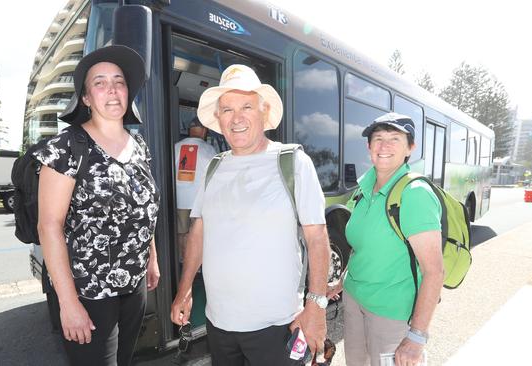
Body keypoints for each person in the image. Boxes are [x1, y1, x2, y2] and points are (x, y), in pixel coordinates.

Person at [170, 64, 331, 365]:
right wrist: (185, 288)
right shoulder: (215, 166)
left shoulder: (293, 162)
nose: (237, 118)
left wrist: (316, 307)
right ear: (218, 118)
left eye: (246, 106)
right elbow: (199, 231)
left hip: (277, 324)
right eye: (227, 109)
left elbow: (317, 237)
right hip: (218, 324)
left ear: (262, 112)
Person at [35, 45, 160, 366]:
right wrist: (68, 303)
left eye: (119, 81)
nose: (112, 89)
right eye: (100, 83)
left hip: (134, 287)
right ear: (86, 98)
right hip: (89, 293)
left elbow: (143, 207)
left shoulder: (139, 145)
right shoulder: (66, 147)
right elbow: (49, 226)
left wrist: (151, 259)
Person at [327, 113, 444, 366]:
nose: (384, 146)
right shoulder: (363, 189)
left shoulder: (415, 194)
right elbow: (361, 245)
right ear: (369, 147)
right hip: (355, 300)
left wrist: (416, 337)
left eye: (394, 138)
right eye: (377, 138)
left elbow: (434, 272)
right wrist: (343, 279)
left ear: (410, 148)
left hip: (392, 314)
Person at [174, 117, 216, 260]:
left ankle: (181, 260)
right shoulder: (209, 149)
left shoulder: (176, 147)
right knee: (196, 233)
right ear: (204, 131)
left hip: (179, 199)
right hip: (199, 201)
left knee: (181, 232)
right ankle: (194, 265)